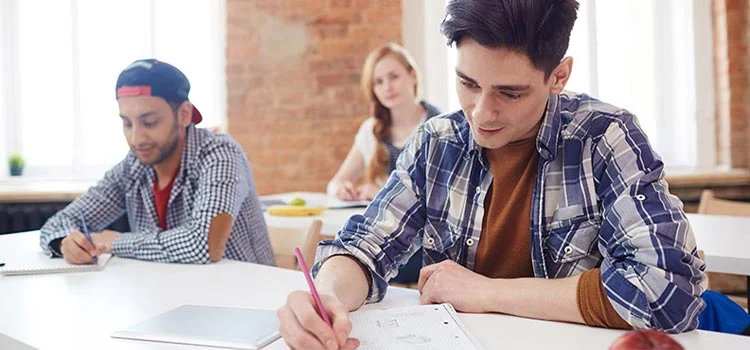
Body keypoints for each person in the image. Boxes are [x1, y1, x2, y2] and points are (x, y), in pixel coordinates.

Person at [276, 1, 707, 349]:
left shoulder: (605, 138)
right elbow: (366, 245)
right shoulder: (437, 141)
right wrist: (327, 295)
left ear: (559, 75)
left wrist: (486, 292)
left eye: (509, 92)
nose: (481, 114)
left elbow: (666, 290)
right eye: (468, 84)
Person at [39, 59, 274, 266]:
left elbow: (205, 245)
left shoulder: (220, 154)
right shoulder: (134, 166)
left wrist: (116, 242)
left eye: (149, 122)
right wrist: (65, 243)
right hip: (169, 298)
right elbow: (59, 222)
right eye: (127, 123)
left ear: (183, 114)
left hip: (240, 301)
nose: (136, 138)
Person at [327, 43, 441, 202]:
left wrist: (383, 194)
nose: (387, 87)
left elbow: (440, 200)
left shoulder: (440, 128)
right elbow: (335, 183)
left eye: (394, 77)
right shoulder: (371, 130)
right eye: (378, 82)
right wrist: (340, 189)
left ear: (413, 75)